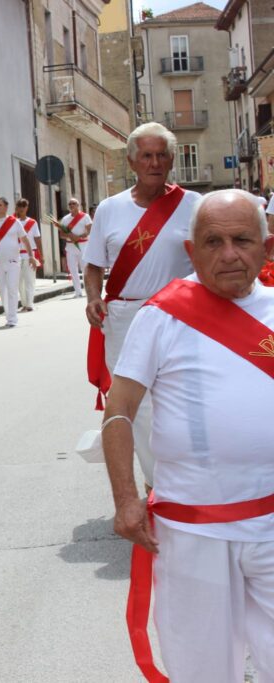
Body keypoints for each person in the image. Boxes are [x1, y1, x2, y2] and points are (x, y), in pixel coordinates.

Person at [102, 189, 274, 682]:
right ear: (190, 251)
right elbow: (119, 411)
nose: (229, 254)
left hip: (271, 525)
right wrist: (125, 498)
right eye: (213, 241)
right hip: (191, 532)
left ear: (266, 247)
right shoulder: (160, 317)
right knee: (202, 671)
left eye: (242, 240)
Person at [83, 121, 201, 486]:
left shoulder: (194, 205)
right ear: (132, 162)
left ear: (172, 160)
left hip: (178, 316)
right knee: (139, 405)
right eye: (147, 156)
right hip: (124, 318)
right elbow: (93, 264)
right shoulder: (109, 209)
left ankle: (183, 478)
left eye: (162, 155)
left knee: (177, 396)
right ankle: (156, 484)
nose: (155, 163)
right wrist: (92, 297)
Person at [0, 197, 36, 328]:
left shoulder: (14, 222)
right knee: (3, 290)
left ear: (6, 207)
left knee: (12, 288)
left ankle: (12, 318)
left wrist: (31, 256)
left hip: (13, 261)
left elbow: (25, 240)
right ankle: (9, 315)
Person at [49, 198, 91, 298]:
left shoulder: (85, 216)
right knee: (73, 270)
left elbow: (89, 231)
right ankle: (78, 291)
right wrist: (70, 236)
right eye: (70, 204)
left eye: (74, 203)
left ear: (78, 205)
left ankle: (88, 290)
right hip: (70, 247)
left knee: (85, 269)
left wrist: (79, 237)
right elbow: (62, 234)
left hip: (83, 246)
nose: (71, 205)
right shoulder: (65, 219)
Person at [14, 198, 42, 312]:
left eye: (23, 206)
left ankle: (30, 304)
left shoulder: (33, 222)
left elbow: (37, 239)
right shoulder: (14, 222)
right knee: (19, 282)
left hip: (30, 254)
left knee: (29, 280)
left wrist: (41, 254)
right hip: (16, 255)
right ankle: (24, 304)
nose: (21, 208)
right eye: (19, 206)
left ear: (27, 208)